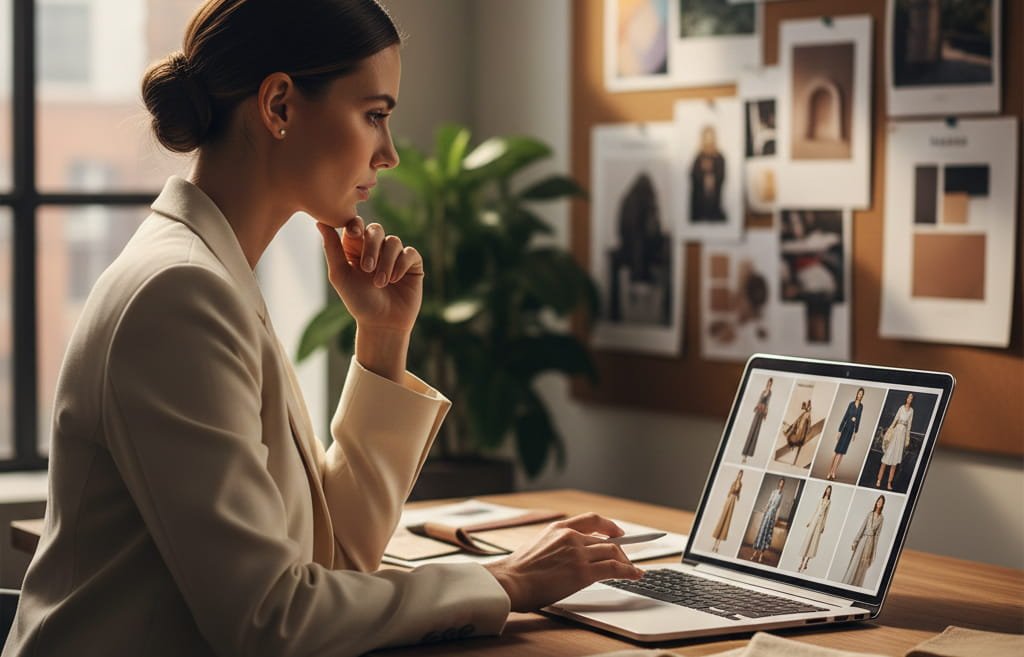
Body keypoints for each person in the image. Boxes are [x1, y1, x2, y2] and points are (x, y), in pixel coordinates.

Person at [2, 2, 643, 656]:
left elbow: (333, 557)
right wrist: (499, 579)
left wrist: (383, 341)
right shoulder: (181, 294)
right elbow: (271, 617)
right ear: (279, 105)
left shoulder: (212, 278)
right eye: (375, 115)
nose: (389, 153)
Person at [842, 496, 886, 587]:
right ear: (876, 502)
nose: (879, 503)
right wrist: (855, 541)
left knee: (863, 566)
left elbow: (877, 536)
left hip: (870, 543)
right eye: (878, 501)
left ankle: (856, 586)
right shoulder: (870, 514)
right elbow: (862, 528)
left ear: (882, 505)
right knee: (855, 562)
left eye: (881, 502)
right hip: (863, 540)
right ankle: (847, 584)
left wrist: (873, 552)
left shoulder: (881, 518)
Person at [877, 393, 914, 490]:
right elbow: (895, 419)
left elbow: (909, 426)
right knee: (886, 458)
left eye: (911, 398)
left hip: (902, 434)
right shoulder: (901, 408)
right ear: (906, 398)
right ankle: (879, 480)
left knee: (895, 461)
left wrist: (907, 439)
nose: (909, 399)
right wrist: (889, 430)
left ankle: (889, 483)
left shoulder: (911, 411)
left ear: (912, 400)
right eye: (908, 397)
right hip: (896, 432)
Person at [826, 387, 865, 481]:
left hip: (851, 431)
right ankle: (829, 471)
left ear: (862, 396)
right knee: (837, 452)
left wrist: (856, 432)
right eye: (859, 393)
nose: (859, 395)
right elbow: (845, 417)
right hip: (845, 429)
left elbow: (859, 419)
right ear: (857, 394)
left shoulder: (861, 406)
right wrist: (839, 430)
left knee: (842, 453)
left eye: (861, 394)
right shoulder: (851, 404)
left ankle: (834, 472)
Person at [689, 125, 726, 222]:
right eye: (706, 138)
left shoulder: (719, 157)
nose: (709, 142)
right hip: (699, 205)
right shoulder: (698, 157)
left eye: (711, 138)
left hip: (714, 204)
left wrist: (711, 175)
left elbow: (721, 177)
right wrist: (703, 173)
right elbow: (693, 176)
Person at [750, 478, 785, 564]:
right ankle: (755, 553)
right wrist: (765, 510)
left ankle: (761, 555)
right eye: (780, 482)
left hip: (772, 517)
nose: (781, 484)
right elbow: (769, 502)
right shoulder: (774, 492)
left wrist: (776, 518)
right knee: (762, 532)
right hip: (767, 515)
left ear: (783, 485)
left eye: (783, 483)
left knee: (767, 536)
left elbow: (778, 507)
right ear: (778, 483)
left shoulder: (781, 495)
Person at [798, 485, 831, 572]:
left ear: (830, 492)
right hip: (815, 520)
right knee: (808, 540)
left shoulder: (829, 502)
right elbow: (815, 511)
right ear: (825, 490)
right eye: (827, 489)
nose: (828, 491)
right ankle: (801, 562)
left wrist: (823, 526)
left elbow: (826, 515)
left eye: (829, 490)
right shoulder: (820, 500)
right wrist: (810, 521)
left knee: (814, 542)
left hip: (820, 523)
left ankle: (806, 563)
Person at [741, 378, 772, 463]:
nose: (769, 384)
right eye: (768, 383)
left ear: (771, 384)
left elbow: (768, 403)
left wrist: (766, 413)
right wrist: (755, 407)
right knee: (752, 430)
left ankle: (748, 455)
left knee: (756, 431)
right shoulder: (763, 391)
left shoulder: (769, 393)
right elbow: (759, 400)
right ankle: (744, 454)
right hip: (758, 410)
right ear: (767, 383)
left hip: (762, 412)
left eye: (770, 383)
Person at [711, 470, 743, 552]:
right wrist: (730, 496)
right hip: (729, 500)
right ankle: (714, 545)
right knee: (722, 519)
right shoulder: (734, 482)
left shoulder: (740, 484)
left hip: (733, 501)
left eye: (741, 474)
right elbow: (730, 492)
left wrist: (738, 497)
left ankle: (717, 546)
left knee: (727, 521)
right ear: (738, 474)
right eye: (739, 474)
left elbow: (738, 493)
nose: (740, 475)